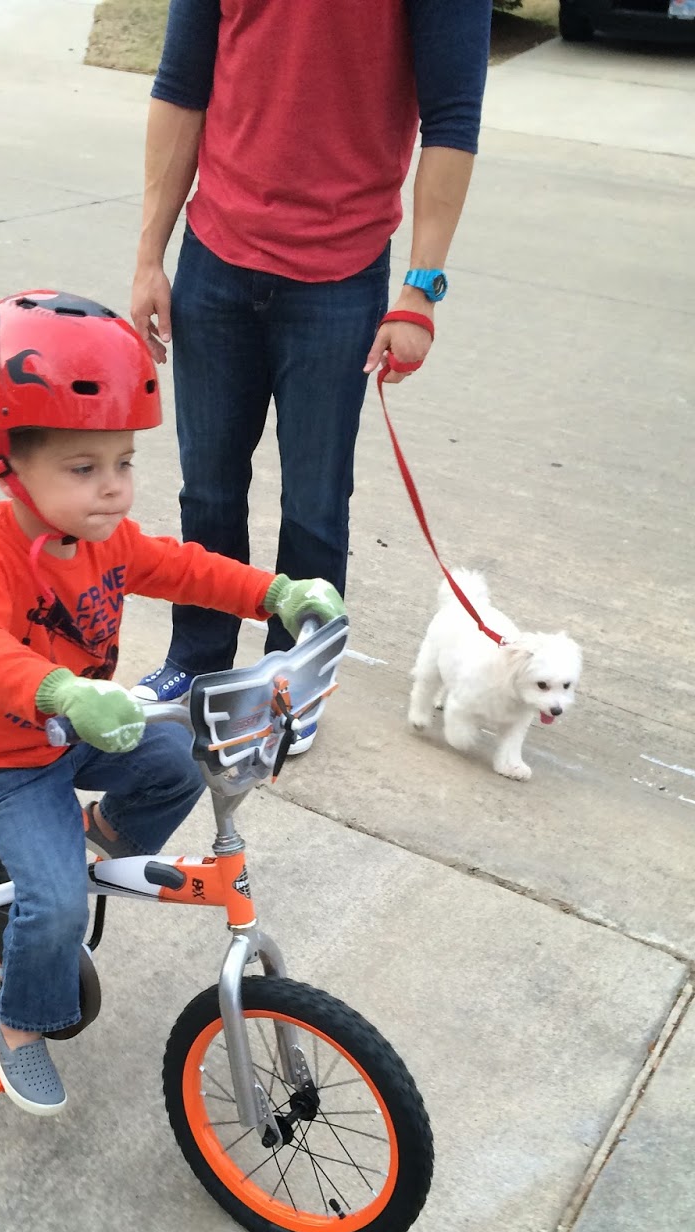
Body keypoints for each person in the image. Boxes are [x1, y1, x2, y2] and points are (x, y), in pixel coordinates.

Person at [0, 291, 344, 1114]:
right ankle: (17, 1026)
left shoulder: (108, 539)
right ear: (7, 461)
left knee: (177, 766)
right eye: (84, 469)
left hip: (83, 731)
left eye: (123, 463)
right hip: (10, 759)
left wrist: (276, 592)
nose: (114, 490)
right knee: (56, 904)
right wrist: (60, 689)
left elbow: (187, 567)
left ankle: (91, 846)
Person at [131, 0, 492, 752]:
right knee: (208, 491)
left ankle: (292, 684)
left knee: (315, 506)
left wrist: (421, 289)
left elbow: (452, 117)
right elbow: (182, 84)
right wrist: (149, 257)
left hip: (341, 274)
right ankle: (198, 660)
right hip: (215, 257)